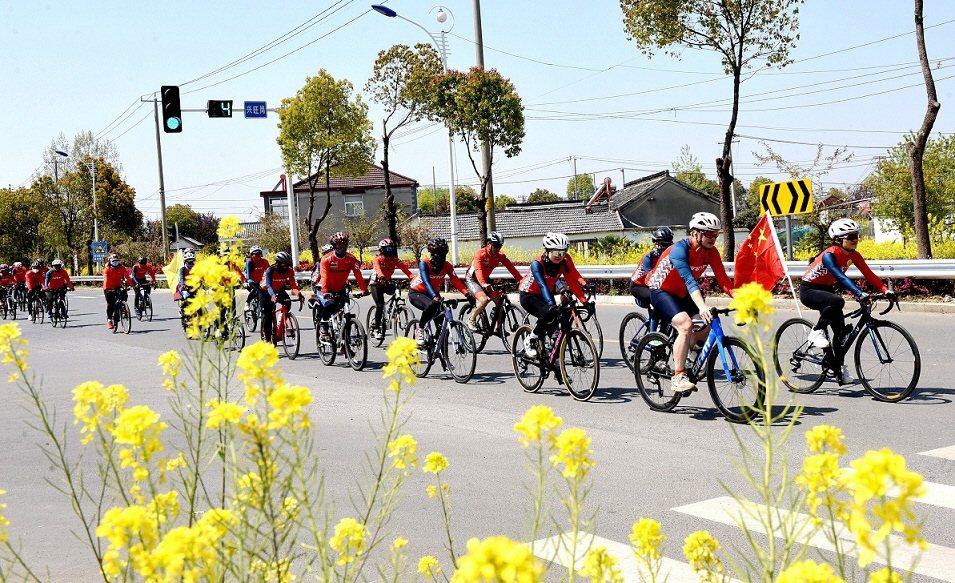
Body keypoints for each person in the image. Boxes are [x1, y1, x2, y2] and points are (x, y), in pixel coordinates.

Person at [647, 212, 734, 394]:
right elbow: (689, 280)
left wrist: (742, 298)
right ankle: (678, 377)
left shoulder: (711, 252)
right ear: (695, 233)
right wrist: (702, 306)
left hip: (683, 292)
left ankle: (689, 359)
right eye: (709, 234)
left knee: (706, 325)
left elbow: (723, 280)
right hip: (662, 290)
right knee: (685, 325)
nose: (713, 238)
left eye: (716, 234)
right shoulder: (680, 250)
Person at [800, 218, 893, 383]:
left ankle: (838, 368)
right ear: (838, 239)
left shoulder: (854, 255)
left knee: (841, 334)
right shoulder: (829, 255)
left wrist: (886, 290)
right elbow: (841, 277)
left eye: (857, 236)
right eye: (851, 237)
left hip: (826, 291)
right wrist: (859, 293)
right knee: (838, 301)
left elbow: (869, 274)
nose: (855, 239)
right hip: (809, 290)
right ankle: (817, 331)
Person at [517, 232, 590, 358]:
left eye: (562, 252)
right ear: (547, 250)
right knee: (547, 313)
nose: (559, 256)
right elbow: (542, 285)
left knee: (555, 330)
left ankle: (553, 361)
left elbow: (572, 281)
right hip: (529, 294)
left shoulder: (565, 260)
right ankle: (530, 339)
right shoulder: (537, 264)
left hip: (546, 293)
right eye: (556, 252)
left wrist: (584, 301)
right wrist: (551, 304)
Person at [408, 237, 469, 346]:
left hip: (434, 294)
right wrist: (435, 297)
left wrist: (467, 294)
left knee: (441, 325)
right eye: (439, 252)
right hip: (417, 292)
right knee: (431, 305)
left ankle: (437, 347)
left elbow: (456, 280)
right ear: (432, 252)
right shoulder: (424, 264)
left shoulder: (447, 266)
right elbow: (426, 282)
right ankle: (420, 329)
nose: (441, 256)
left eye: (443, 253)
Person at [463, 231, 523, 332]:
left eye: (500, 246)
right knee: (484, 300)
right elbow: (478, 270)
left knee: (500, 303)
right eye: (496, 246)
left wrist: (521, 280)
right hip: (472, 280)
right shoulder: (480, 254)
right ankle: (471, 319)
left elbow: (511, 268)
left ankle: (499, 329)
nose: (498, 249)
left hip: (486, 280)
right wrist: (483, 284)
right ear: (488, 244)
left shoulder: (500, 255)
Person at [314, 233, 369, 341]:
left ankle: (345, 342)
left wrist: (364, 289)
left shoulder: (351, 259)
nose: (342, 247)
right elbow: (324, 277)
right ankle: (324, 325)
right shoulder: (326, 259)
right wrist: (325, 292)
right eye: (339, 245)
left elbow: (358, 274)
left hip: (340, 288)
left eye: (344, 244)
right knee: (329, 305)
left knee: (345, 310)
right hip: (324, 288)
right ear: (334, 246)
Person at [368, 238, 413, 341]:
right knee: (380, 305)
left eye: (391, 248)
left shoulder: (394, 259)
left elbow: (405, 269)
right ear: (381, 250)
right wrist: (381, 276)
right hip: (376, 284)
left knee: (396, 291)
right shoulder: (378, 259)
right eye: (387, 249)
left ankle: (393, 309)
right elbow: (378, 269)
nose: (389, 251)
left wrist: (412, 278)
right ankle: (377, 328)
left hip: (387, 282)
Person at [260, 251, 302, 344]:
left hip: (279, 289)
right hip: (265, 291)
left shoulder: (289, 270)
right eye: (284, 264)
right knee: (268, 315)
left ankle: (281, 321)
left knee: (287, 303)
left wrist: (298, 294)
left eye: (287, 264)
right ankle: (267, 339)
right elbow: (269, 285)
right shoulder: (270, 270)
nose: (286, 266)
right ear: (278, 263)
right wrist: (273, 296)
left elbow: (293, 285)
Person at [630, 227, 673, 315]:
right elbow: (651, 280)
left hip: (655, 285)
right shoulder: (649, 257)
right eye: (663, 244)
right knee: (658, 298)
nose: (666, 247)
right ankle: (653, 324)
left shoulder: (670, 256)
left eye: (668, 244)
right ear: (656, 244)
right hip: (639, 285)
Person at [103, 253, 134, 330]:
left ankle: (123, 306)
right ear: (110, 261)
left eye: (117, 261)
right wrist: (107, 289)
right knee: (110, 304)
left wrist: (132, 285)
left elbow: (127, 277)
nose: (115, 262)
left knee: (124, 293)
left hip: (118, 285)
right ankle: (109, 320)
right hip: (108, 287)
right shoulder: (107, 269)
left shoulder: (122, 268)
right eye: (113, 261)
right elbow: (106, 280)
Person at [244, 246, 270, 322]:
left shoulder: (264, 261)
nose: (257, 256)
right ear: (252, 255)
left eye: (259, 254)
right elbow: (248, 275)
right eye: (255, 254)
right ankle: (247, 302)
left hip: (260, 282)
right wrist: (249, 281)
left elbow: (269, 272)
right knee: (255, 290)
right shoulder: (249, 262)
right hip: (250, 281)